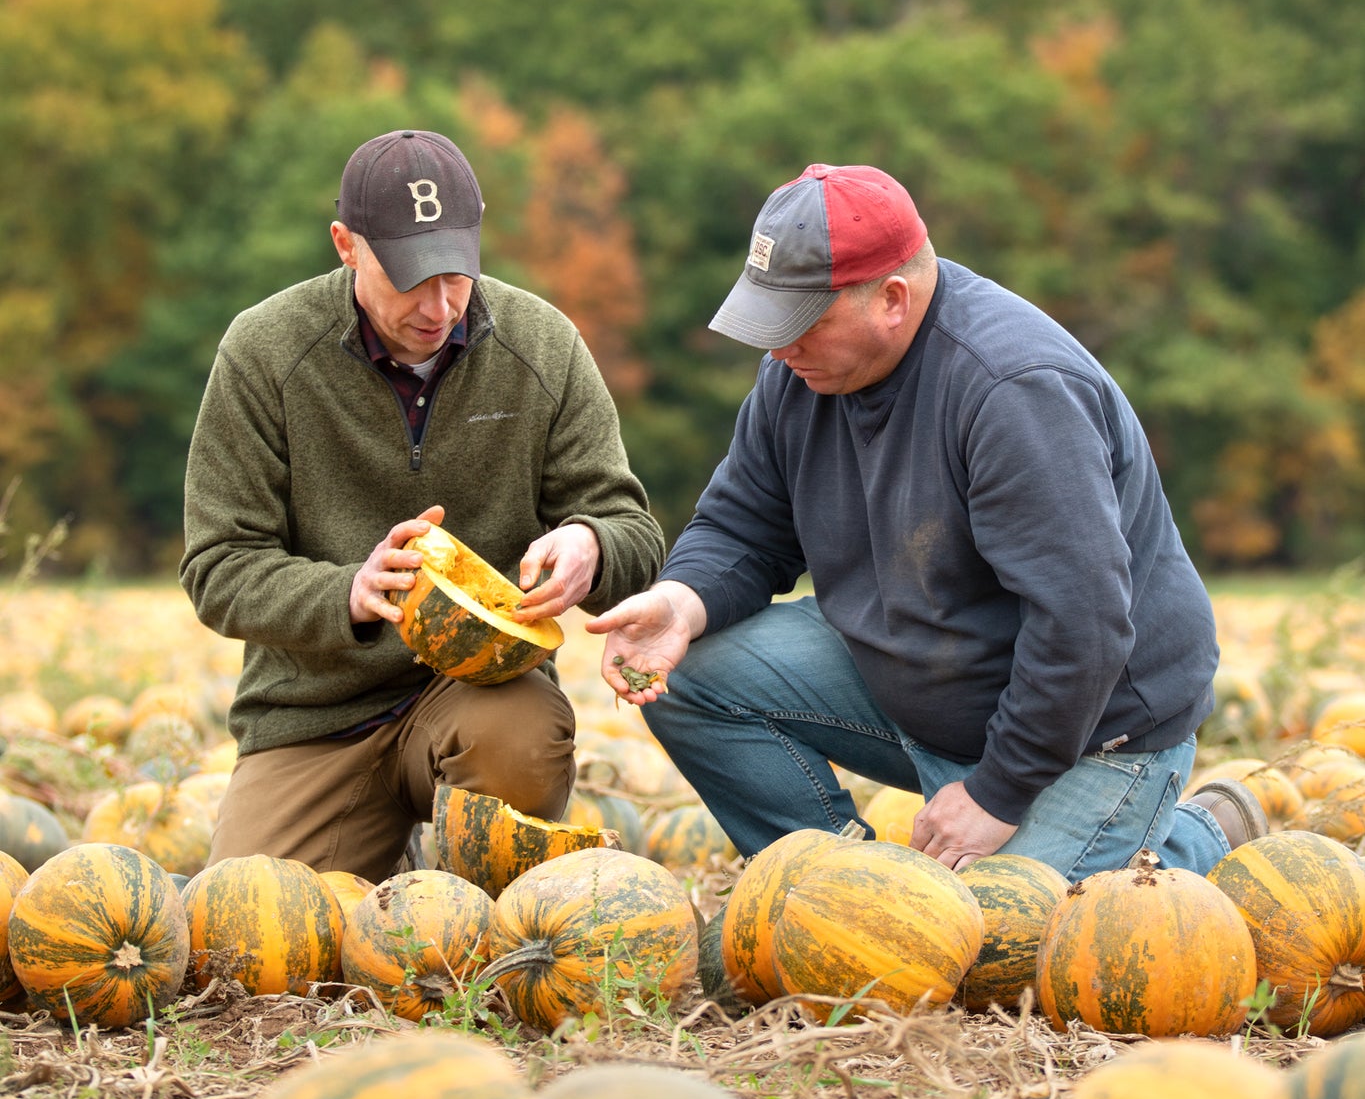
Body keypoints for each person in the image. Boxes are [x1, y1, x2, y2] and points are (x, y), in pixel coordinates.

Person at [590, 161, 1265, 879]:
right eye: (768, 320)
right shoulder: (798, 374)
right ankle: (846, 889)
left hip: (1090, 729)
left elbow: (1083, 622)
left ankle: (1196, 836)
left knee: (994, 946)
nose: (778, 348)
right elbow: (743, 525)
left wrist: (996, 793)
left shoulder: (1011, 390)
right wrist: (679, 601)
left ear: (890, 299)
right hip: (920, 680)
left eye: (801, 324)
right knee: (688, 669)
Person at [181, 127, 664, 879]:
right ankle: (382, 845)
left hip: (481, 692)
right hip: (317, 712)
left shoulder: (544, 345)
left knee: (521, 737)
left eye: (455, 275)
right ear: (347, 244)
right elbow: (219, 567)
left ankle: (480, 906)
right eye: (409, 277)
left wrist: (591, 545)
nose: (438, 306)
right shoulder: (265, 352)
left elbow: (630, 525)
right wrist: (349, 591)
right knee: (252, 936)